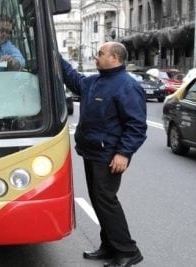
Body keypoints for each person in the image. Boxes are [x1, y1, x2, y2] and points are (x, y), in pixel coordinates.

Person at [61, 42, 146, 267]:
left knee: (106, 201)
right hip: (92, 151)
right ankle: (109, 246)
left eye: (100, 53)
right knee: (99, 202)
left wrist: (123, 153)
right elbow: (71, 77)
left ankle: (128, 250)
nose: (96, 57)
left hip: (108, 155)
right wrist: (52, 54)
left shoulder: (126, 85)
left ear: (115, 58)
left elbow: (136, 126)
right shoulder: (96, 81)